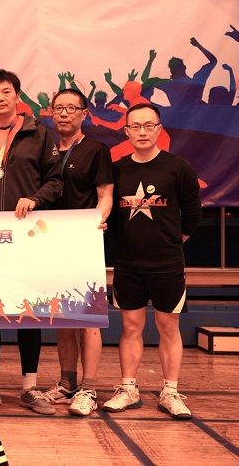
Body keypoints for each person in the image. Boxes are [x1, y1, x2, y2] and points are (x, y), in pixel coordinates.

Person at [0, 69, 62, 416]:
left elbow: (56, 181)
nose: (0, 98)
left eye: (6, 92)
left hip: (26, 237)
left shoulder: (39, 134)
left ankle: (29, 388)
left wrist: (35, 198)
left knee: (27, 311)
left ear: (17, 96)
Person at [103, 103, 201, 420]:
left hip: (167, 265)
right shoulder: (117, 170)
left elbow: (192, 215)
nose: (142, 132)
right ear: (127, 131)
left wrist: (169, 243)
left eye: (149, 125)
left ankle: (170, 391)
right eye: (135, 126)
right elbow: (110, 217)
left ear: (159, 129)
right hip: (128, 265)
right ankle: (128, 389)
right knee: (130, 327)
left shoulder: (179, 168)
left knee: (168, 327)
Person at [43, 88, 114, 416]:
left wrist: (95, 223)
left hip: (83, 243)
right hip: (50, 243)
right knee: (64, 317)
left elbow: (105, 196)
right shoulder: (46, 151)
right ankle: (67, 382)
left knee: (88, 318)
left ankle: (88, 387)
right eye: (58, 108)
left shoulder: (95, 150)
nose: (64, 113)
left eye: (71, 108)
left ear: (84, 114)